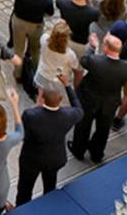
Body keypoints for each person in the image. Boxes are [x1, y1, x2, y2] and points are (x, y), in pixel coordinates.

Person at [16, 70, 82, 203]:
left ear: (42, 98)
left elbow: (23, 135)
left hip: (31, 160)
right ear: (61, 100)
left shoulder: (31, 115)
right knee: (50, 188)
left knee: (25, 189)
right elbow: (79, 108)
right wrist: (67, 85)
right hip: (55, 159)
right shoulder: (68, 115)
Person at [69, 34, 127, 164]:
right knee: (103, 130)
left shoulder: (95, 61)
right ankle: (96, 154)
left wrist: (92, 47)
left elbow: (84, 60)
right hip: (110, 103)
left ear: (106, 48)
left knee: (83, 126)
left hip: (89, 100)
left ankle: (78, 150)